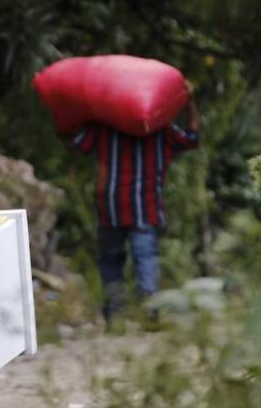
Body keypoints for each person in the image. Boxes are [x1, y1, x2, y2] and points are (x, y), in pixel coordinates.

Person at [70, 84, 200, 330]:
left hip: (111, 207)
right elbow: (192, 138)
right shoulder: (161, 130)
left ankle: (115, 317)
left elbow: (75, 144)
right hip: (145, 208)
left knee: (111, 262)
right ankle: (150, 313)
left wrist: (86, 109)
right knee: (146, 260)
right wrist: (189, 101)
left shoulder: (102, 129)